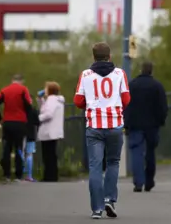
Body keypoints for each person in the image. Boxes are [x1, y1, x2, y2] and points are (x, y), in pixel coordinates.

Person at [74, 42, 131, 219]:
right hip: (114, 124)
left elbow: (77, 101)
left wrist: (90, 105)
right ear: (109, 56)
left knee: (95, 166)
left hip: (94, 125)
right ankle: (109, 199)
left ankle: (96, 209)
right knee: (113, 163)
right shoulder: (120, 73)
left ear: (93, 57)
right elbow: (126, 99)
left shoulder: (86, 75)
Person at [123, 61, 168, 193]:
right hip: (152, 125)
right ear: (151, 71)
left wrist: (126, 123)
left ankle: (138, 182)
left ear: (141, 70)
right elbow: (163, 107)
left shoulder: (131, 86)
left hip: (135, 124)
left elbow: (125, 105)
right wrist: (161, 121)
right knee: (150, 152)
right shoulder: (157, 86)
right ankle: (149, 181)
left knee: (136, 151)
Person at [0, 74, 33, 182]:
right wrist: (27, 119)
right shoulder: (23, 90)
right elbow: (29, 105)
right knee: (19, 148)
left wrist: (0, 118)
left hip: (7, 122)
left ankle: (6, 175)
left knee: (7, 148)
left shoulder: (5, 90)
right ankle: (18, 175)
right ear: (22, 81)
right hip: (20, 122)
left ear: (12, 80)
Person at [37, 81, 65, 183]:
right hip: (53, 131)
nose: (44, 90)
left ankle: (49, 176)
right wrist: (40, 99)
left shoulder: (52, 100)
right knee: (51, 154)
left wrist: (38, 119)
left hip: (49, 131)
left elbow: (48, 114)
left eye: (46, 88)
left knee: (48, 155)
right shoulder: (55, 100)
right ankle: (51, 175)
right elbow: (44, 108)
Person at [23, 101, 40, 182]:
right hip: (31, 134)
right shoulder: (33, 110)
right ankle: (29, 175)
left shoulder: (20, 110)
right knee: (30, 154)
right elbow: (37, 122)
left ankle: (21, 173)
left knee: (21, 152)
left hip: (20, 133)